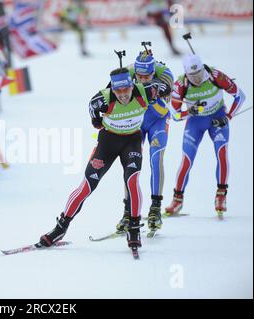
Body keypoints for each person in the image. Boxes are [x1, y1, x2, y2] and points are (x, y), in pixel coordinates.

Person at [38, 65, 171, 251]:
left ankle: (134, 228)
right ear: (113, 89)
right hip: (108, 143)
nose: (123, 95)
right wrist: (101, 122)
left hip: (132, 141)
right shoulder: (101, 99)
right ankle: (60, 228)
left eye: (126, 89)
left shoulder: (145, 91)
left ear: (132, 86)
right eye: (118, 91)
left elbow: (166, 87)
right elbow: (93, 116)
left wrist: (159, 83)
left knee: (132, 181)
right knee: (86, 187)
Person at [165, 54, 246, 217]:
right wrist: (190, 112)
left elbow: (240, 96)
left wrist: (228, 116)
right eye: (192, 76)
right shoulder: (180, 84)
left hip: (217, 121)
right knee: (187, 160)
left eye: (199, 74)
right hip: (196, 123)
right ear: (186, 74)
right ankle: (177, 199)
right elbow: (174, 115)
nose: (196, 79)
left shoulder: (216, 76)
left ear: (203, 69)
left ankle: (221, 195)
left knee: (222, 154)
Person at [115, 50, 174, 233]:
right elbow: (111, 94)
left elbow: (163, 107)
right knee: (130, 164)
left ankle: (155, 207)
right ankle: (128, 211)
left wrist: (146, 95)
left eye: (146, 76)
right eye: (138, 76)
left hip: (158, 121)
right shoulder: (129, 73)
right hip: (137, 124)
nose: (142, 79)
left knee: (156, 159)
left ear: (153, 72)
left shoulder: (165, 75)